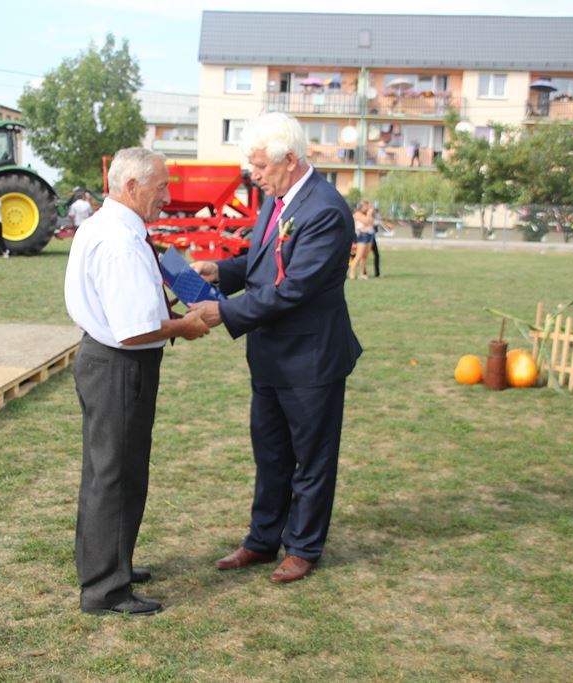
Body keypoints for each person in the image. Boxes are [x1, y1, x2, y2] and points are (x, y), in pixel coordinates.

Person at [189, 113, 362, 584]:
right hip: (270, 356)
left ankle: (303, 547)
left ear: (290, 159)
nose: (255, 175)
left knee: (311, 459)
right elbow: (264, 261)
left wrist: (225, 311)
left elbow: (294, 288)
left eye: (261, 166)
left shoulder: (325, 210)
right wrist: (222, 272)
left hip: (310, 360)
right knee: (270, 455)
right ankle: (263, 540)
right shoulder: (278, 199)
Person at [65, 147, 210, 616]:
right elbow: (133, 329)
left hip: (108, 362)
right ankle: (106, 588)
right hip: (120, 365)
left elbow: (131, 310)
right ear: (131, 186)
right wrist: (184, 326)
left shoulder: (109, 227)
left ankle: (108, 564)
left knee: (107, 471)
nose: (167, 196)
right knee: (117, 475)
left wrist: (169, 308)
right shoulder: (121, 242)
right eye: (161, 187)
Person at [349, 200, 375, 280]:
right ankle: (352, 273)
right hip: (362, 235)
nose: (368, 208)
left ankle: (362, 273)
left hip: (369, 234)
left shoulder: (366, 214)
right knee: (359, 255)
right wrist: (369, 214)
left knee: (364, 257)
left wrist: (369, 215)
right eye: (367, 206)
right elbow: (366, 221)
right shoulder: (357, 214)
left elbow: (371, 221)